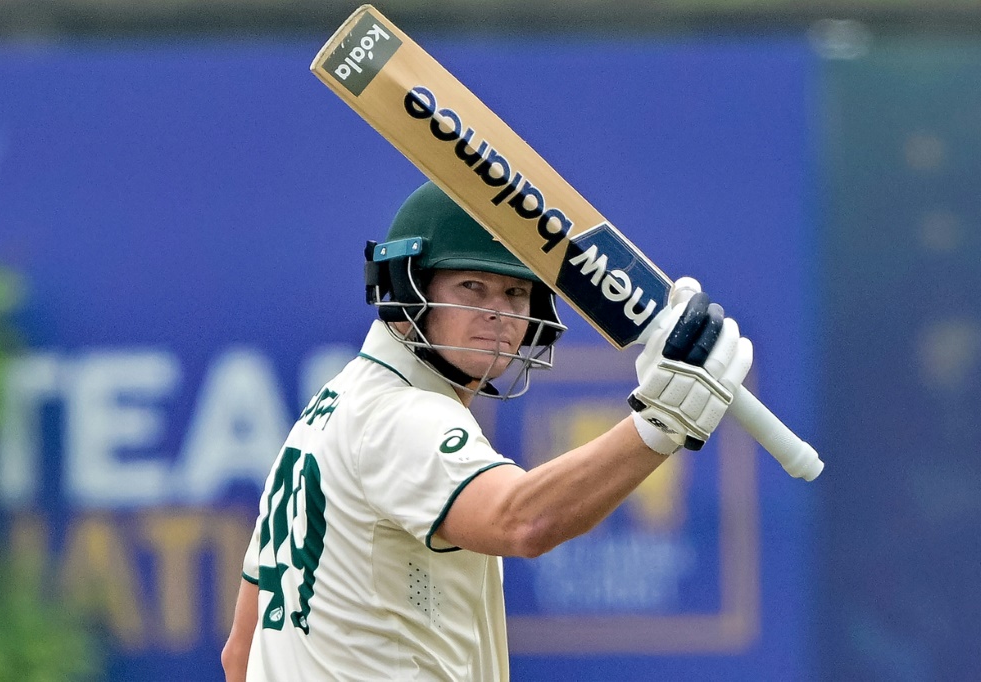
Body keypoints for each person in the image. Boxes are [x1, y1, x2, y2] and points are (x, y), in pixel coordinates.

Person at [221, 181, 752, 681]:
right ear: (406, 288)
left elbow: (240, 655)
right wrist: (659, 424)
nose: (498, 314)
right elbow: (521, 519)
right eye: (472, 287)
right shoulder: (406, 416)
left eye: (516, 293)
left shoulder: (328, 411)